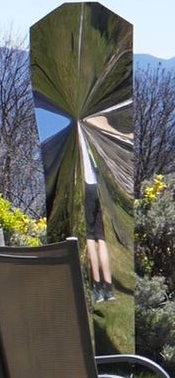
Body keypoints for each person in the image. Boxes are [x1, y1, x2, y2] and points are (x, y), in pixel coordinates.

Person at [78, 125, 114, 303]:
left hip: (86, 188)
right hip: (98, 187)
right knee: (102, 238)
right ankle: (109, 289)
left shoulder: (75, 133)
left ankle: (98, 288)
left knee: (91, 238)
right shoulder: (92, 130)